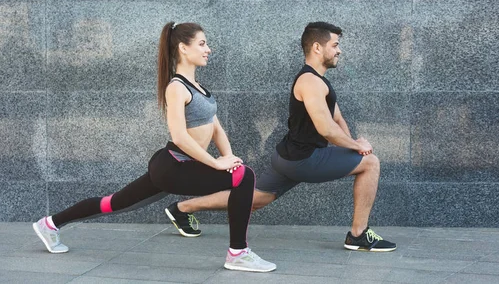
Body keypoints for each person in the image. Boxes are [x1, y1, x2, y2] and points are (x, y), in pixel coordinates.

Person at [32, 22, 277, 272]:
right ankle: (238, 253)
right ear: (183, 47)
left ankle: (50, 224)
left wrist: (229, 156)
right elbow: (180, 137)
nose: (208, 49)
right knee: (243, 177)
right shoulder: (176, 87)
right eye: (202, 44)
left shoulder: (201, 89)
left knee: (112, 203)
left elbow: (216, 127)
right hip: (173, 165)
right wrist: (216, 163)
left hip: (181, 166)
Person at [165, 21, 396, 252]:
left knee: (256, 199)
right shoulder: (310, 81)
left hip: (289, 157)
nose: (339, 50)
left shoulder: (319, 80)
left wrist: (352, 147)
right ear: (317, 47)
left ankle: (183, 208)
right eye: (335, 45)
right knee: (371, 163)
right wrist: (357, 147)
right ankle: (358, 234)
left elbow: (337, 118)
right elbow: (326, 128)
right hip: (304, 159)